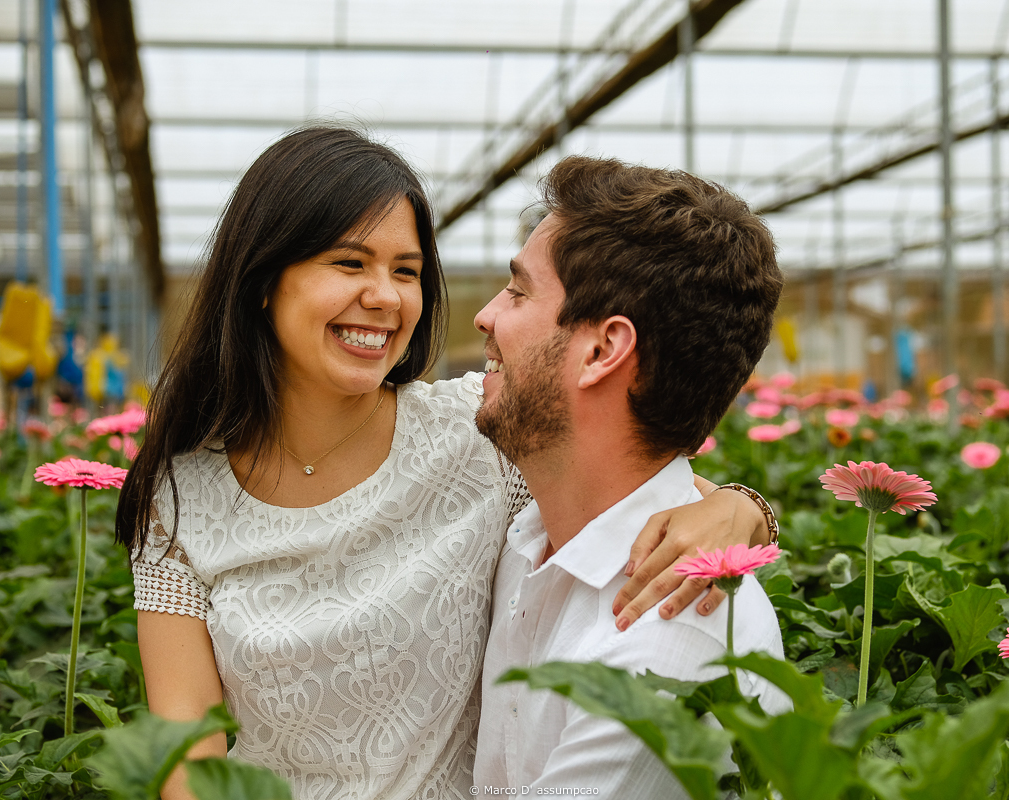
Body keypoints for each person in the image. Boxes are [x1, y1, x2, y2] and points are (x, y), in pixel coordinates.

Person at [116, 127, 775, 800]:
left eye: (406, 271)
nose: (386, 296)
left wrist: (742, 506)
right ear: (263, 280)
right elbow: (188, 762)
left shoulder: (474, 435)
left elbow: (632, 483)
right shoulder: (181, 498)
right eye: (350, 263)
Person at [473, 156, 790, 798]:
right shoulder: (531, 530)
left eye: (518, 292)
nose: (486, 315)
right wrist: (747, 503)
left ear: (602, 351)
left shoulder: (668, 641)